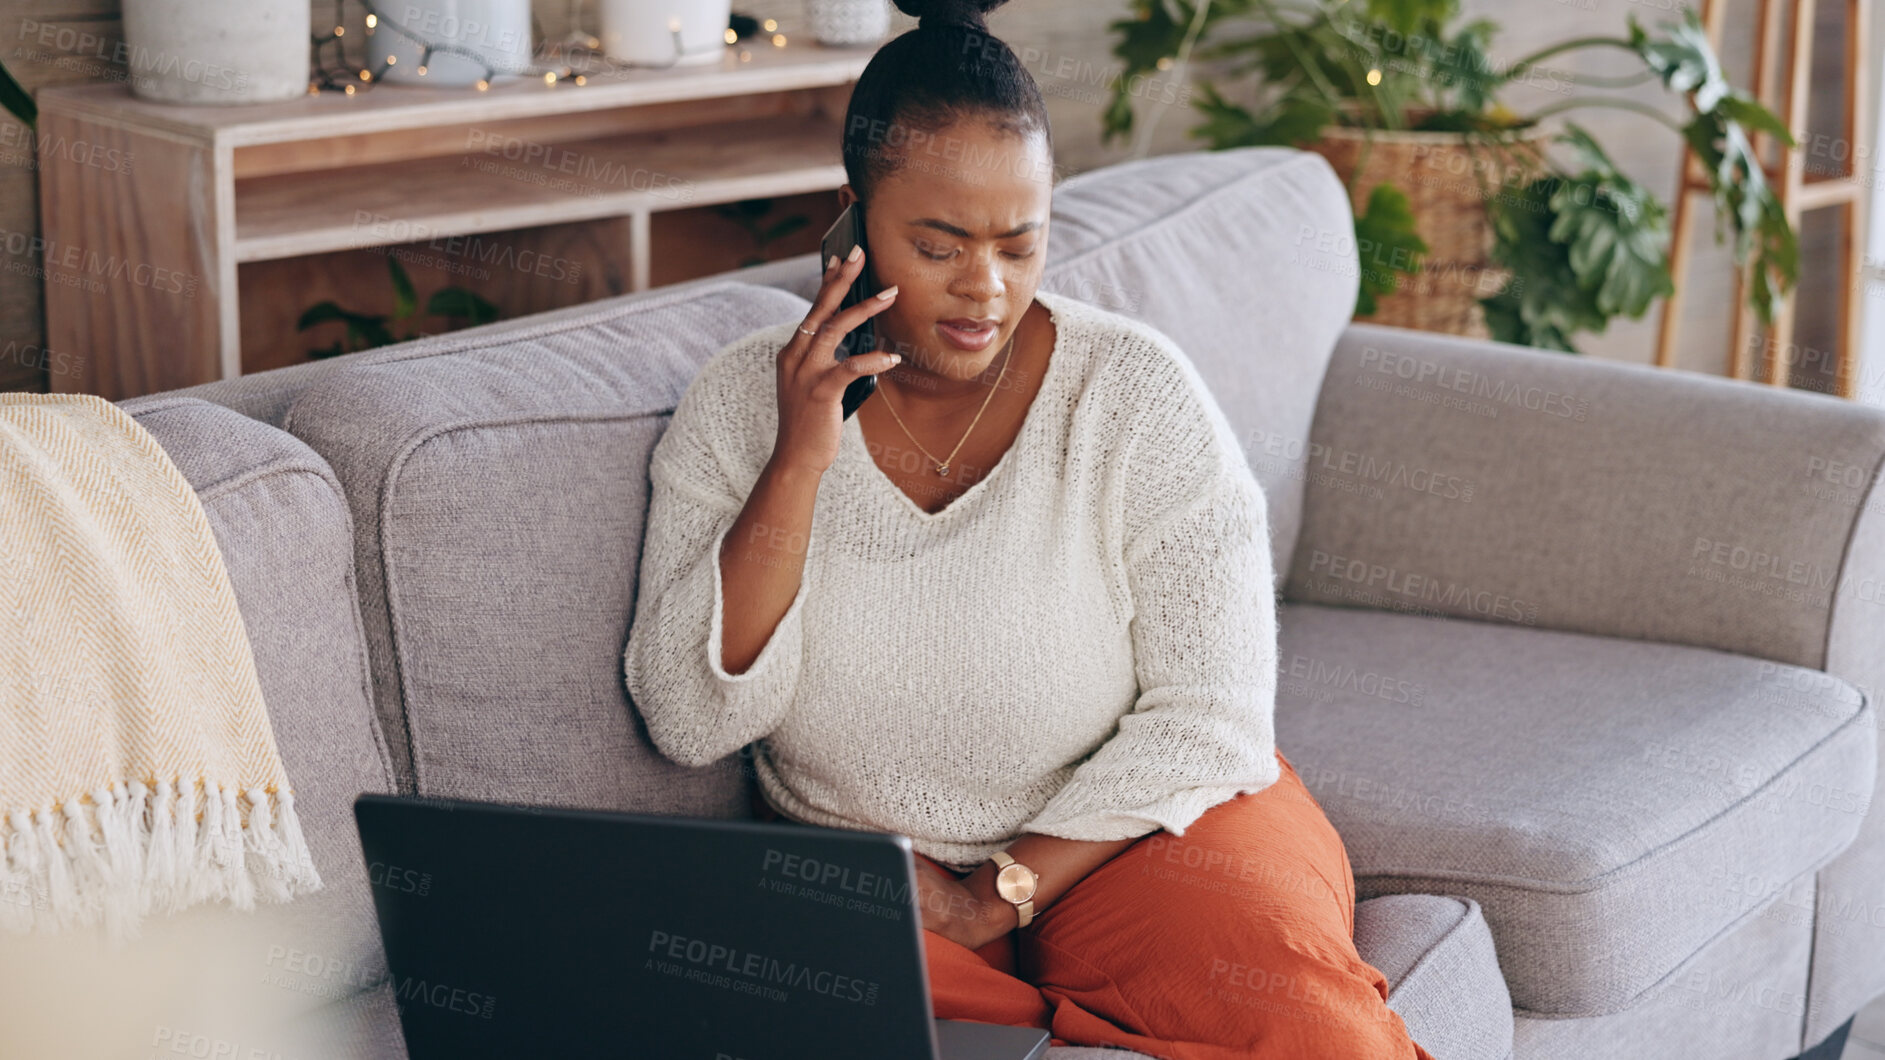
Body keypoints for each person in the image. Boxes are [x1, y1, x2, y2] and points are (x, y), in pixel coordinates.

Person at [623, 1, 1437, 1055]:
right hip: (886, 885)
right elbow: (689, 721)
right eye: (938, 244)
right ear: (852, 219)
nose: (986, 289)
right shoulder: (741, 409)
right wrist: (799, 462)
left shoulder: (1133, 393)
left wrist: (998, 895)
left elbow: (1215, 713)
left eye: (1020, 242)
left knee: (1318, 1036)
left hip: (1141, 831)